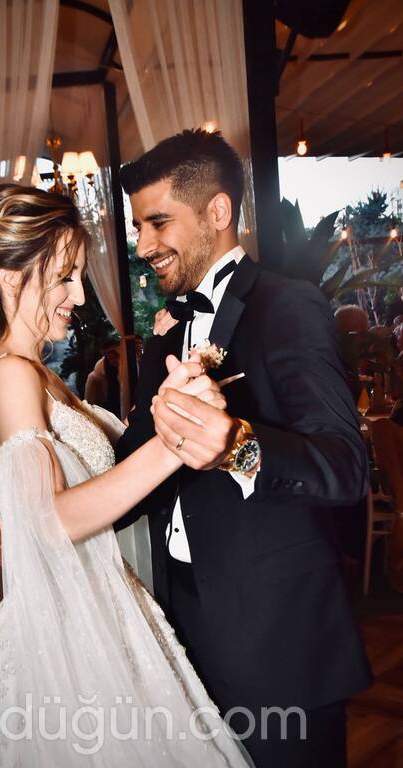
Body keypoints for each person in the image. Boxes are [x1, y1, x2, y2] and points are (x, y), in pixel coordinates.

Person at [0, 184, 253, 768]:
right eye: (65, 277)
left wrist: (169, 400)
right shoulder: (10, 374)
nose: (80, 295)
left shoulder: (32, 373)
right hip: (64, 636)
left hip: (93, 611)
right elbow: (50, 521)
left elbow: (61, 493)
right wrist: (175, 444)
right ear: (12, 278)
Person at [115, 128, 372, 768]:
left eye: (157, 223)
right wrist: (42, 509)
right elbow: (133, 473)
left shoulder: (288, 307)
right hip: (179, 631)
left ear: (218, 211)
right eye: (138, 227)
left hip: (278, 641)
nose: (142, 245)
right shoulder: (163, 340)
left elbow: (345, 468)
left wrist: (238, 447)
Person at [84, 339, 121, 417]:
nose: (111, 356)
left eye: (114, 353)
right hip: (109, 400)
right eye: (108, 354)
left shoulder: (127, 362)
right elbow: (93, 396)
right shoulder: (100, 367)